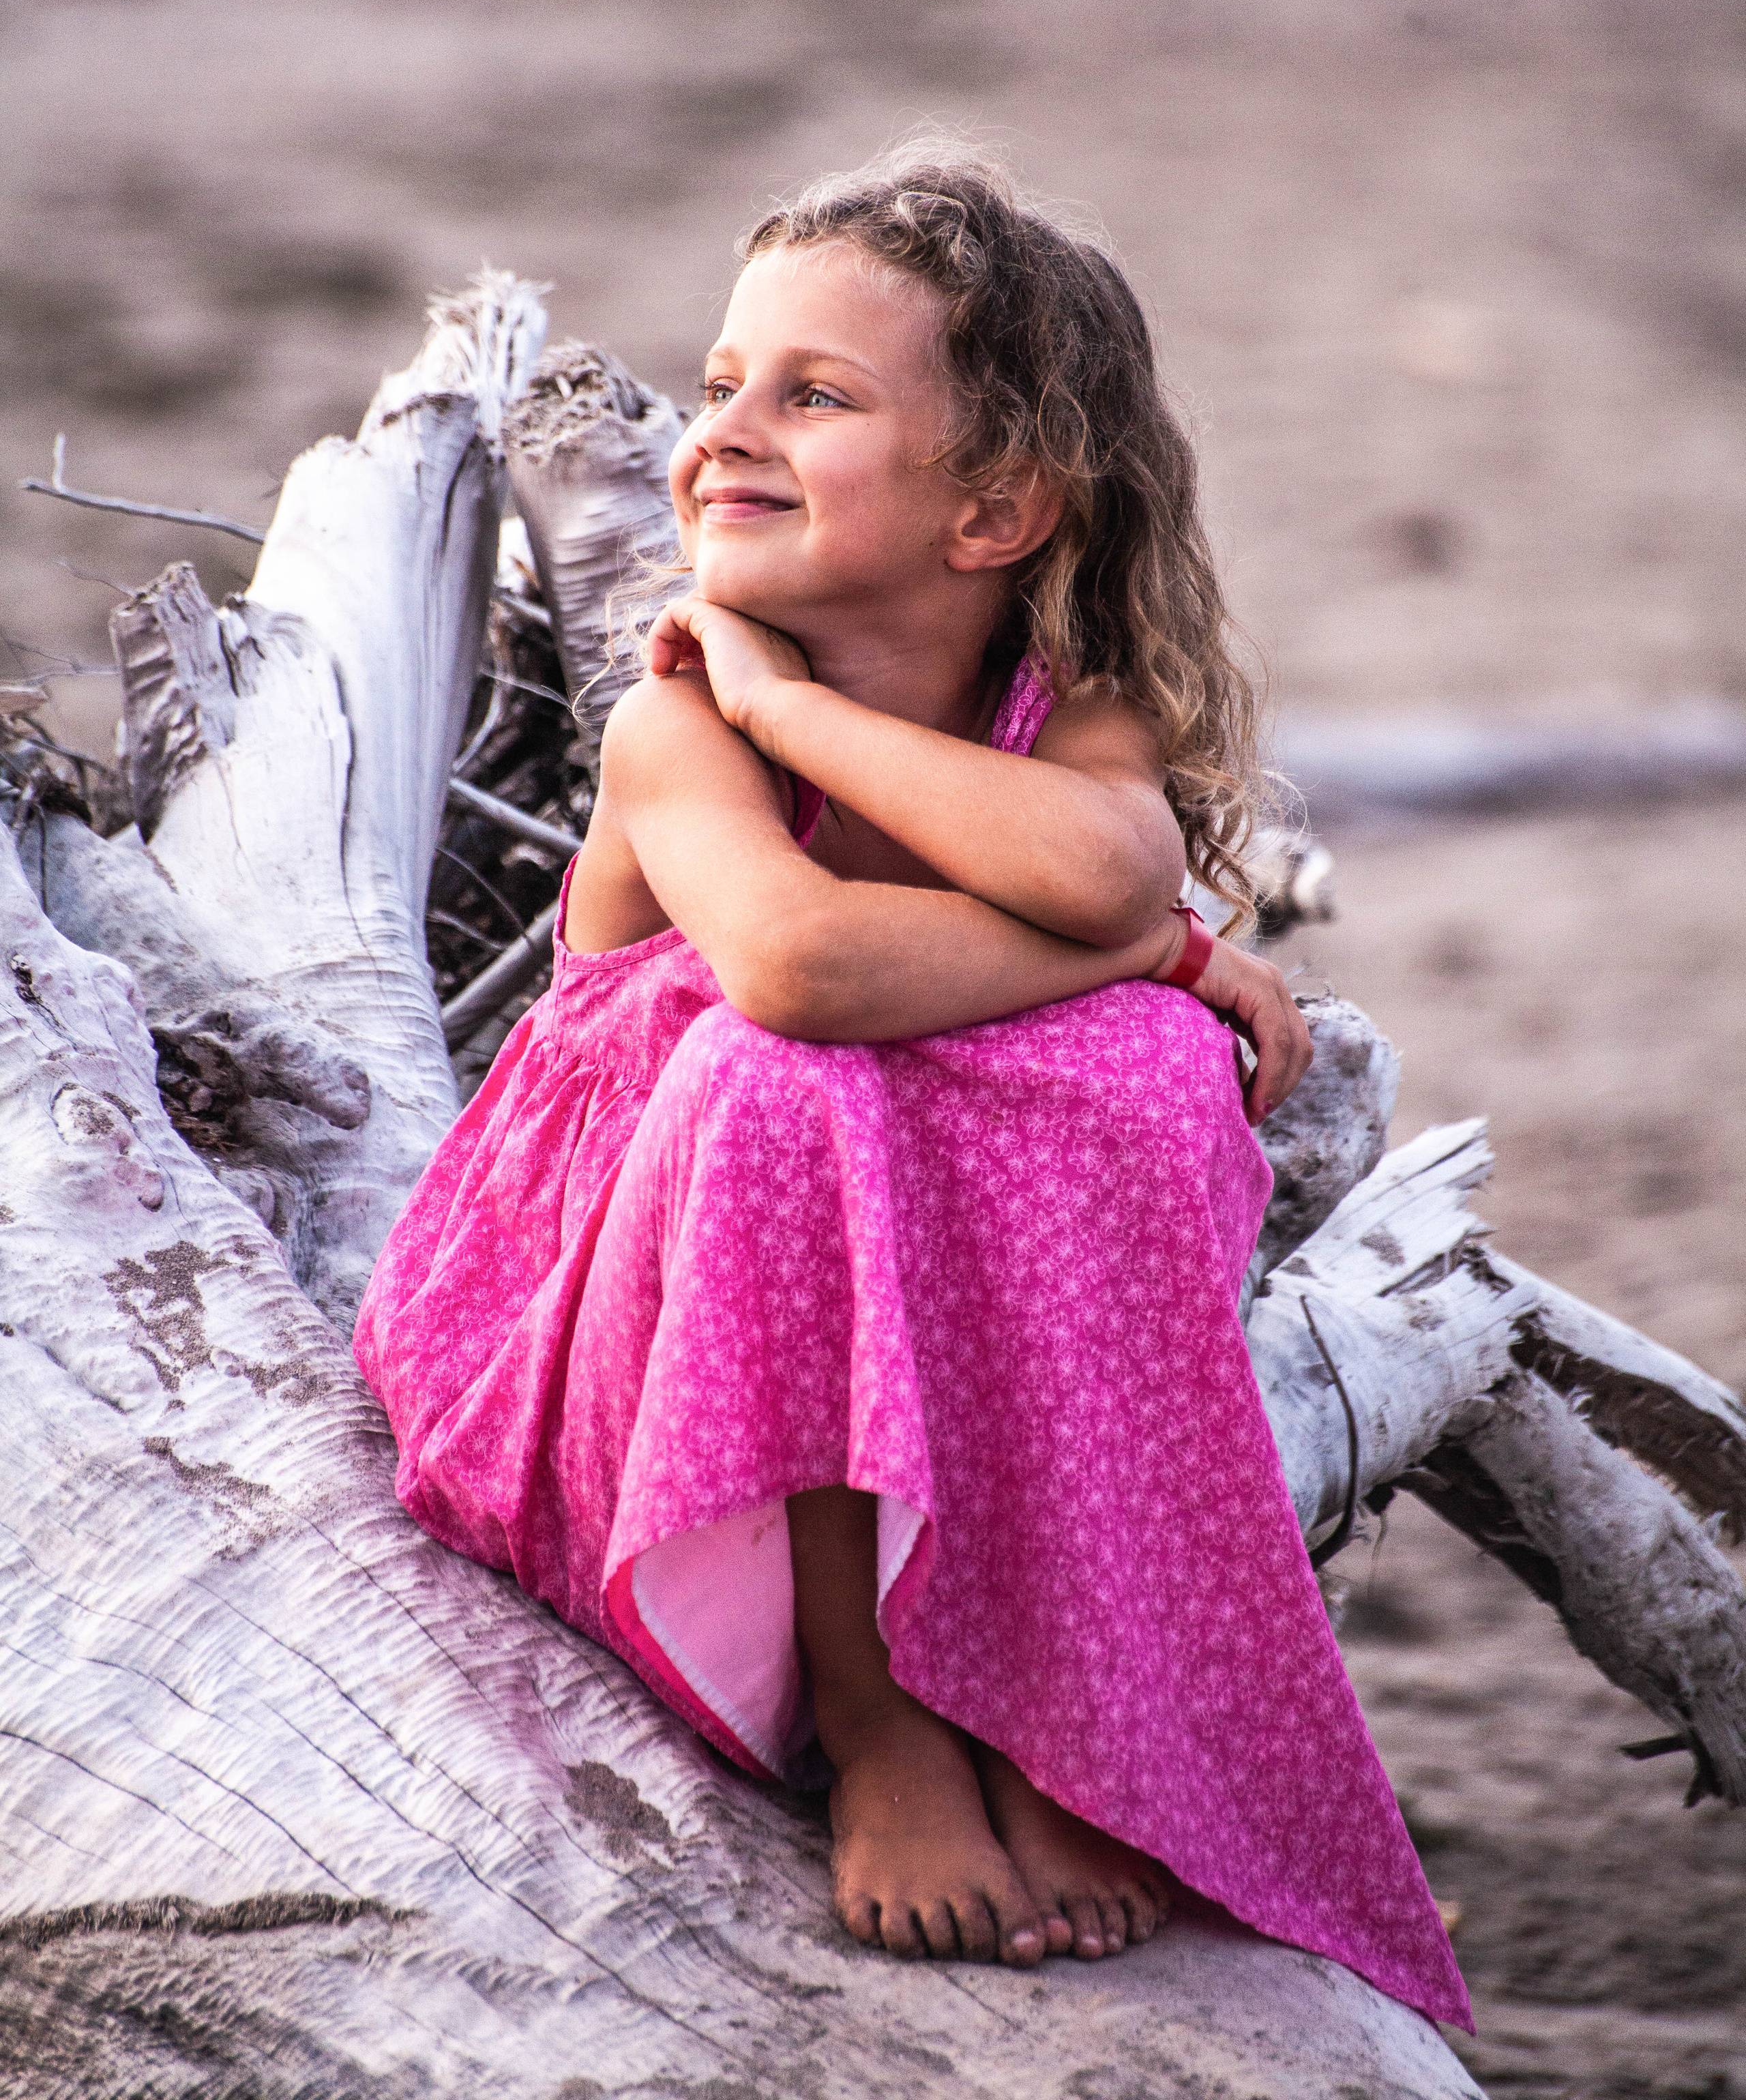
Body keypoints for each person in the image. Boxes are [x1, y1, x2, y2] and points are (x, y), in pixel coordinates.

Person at [355, 151, 1470, 2028]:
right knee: (790, 1078)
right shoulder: (680, 724)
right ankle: (882, 1725)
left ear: (998, 511)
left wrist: (1136, 953)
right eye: (724, 382)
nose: (725, 430)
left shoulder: (1073, 723)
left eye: (815, 394)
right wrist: (1141, 943)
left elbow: (1115, 869)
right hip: (605, 1386)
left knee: (1142, 1078)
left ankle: (1036, 1697)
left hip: (900, 1382)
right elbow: (800, 967)